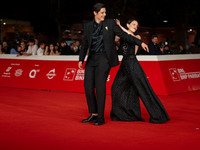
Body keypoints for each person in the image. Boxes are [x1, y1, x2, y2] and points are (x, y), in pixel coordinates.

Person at [78, 3, 149, 126]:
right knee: (88, 87)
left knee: (100, 87)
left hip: (104, 59)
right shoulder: (88, 26)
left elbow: (124, 35)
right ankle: (93, 114)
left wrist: (140, 42)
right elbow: (85, 44)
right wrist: (81, 59)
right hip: (91, 59)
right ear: (95, 13)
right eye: (102, 13)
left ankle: (101, 117)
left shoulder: (110, 23)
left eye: (105, 12)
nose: (104, 15)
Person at [110, 18, 170, 123]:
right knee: (116, 88)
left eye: (136, 25)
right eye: (133, 24)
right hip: (124, 65)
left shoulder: (137, 37)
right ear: (128, 25)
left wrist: (119, 26)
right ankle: (124, 114)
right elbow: (120, 37)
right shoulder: (122, 36)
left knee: (144, 89)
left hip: (132, 63)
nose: (135, 27)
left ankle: (158, 115)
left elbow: (130, 37)